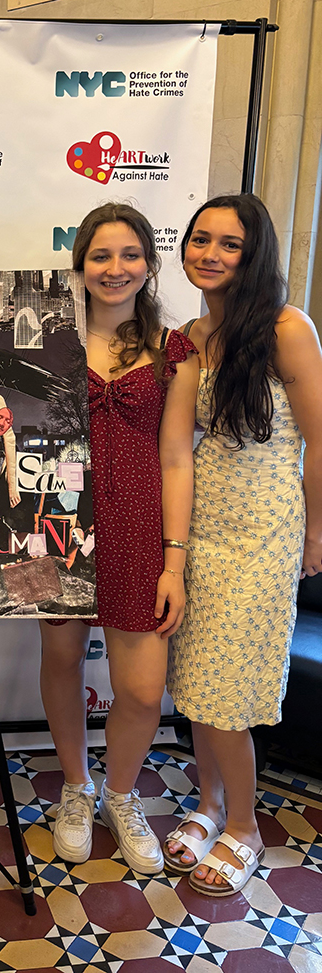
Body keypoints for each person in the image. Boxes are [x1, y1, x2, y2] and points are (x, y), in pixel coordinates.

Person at [165, 195, 322, 894]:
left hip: (265, 530)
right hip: (205, 525)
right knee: (199, 682)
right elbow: (179, 446)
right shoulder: (196, 335)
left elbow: (319, 438)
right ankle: (208, 802)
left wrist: (317, 530)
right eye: (201, 239)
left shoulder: (287, 327)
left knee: (228, 690)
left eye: (229, 244)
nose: (211, 253)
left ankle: (246, 826)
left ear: (252, 253)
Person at [40, 203, 199, 874]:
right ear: (79, 265)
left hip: (140, 530)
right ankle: (75, 788)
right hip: (61, 523)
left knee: (139, 691)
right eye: (100, 255)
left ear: (150, 263)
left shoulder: (173, 349)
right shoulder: (49, 342)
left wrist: (174, 561)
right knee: (63, 660)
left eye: (129, 254)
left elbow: (176, 459)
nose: (115, 268)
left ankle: (121, 793)